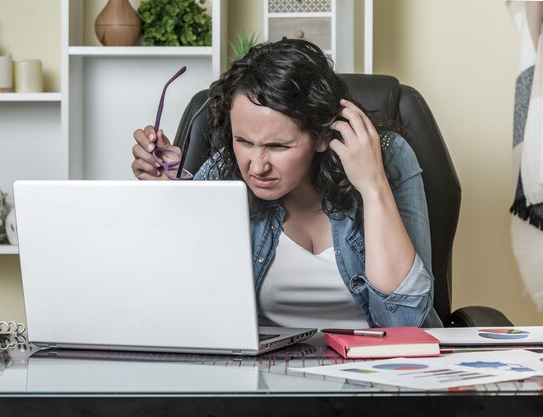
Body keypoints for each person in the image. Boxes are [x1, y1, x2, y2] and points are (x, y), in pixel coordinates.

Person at [131, 38, 442, 329]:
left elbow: (404, 322)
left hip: (374, 369)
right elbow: (184, 308)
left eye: (278, 146)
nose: (257, 165)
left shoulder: (387, 157)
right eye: (243, 141)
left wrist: (373, 188)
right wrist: (171, 195)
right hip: (263, 373)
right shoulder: (224, 169)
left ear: (322, 135)